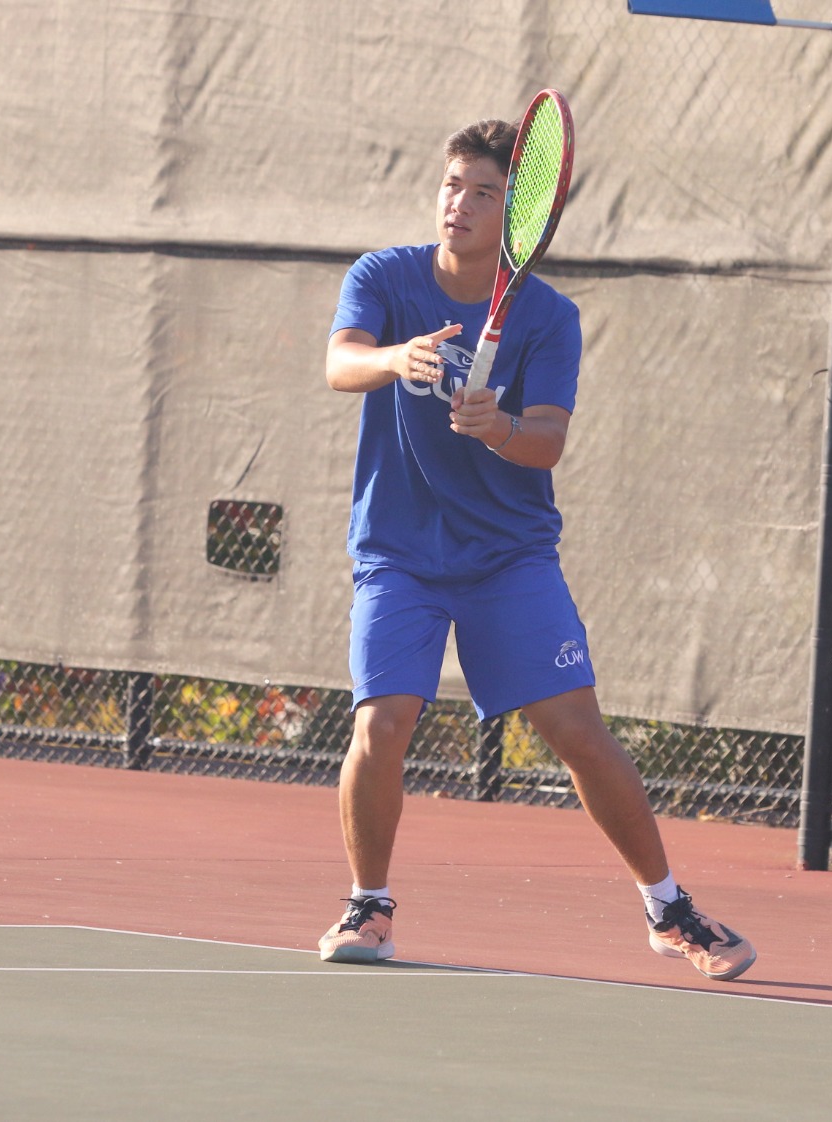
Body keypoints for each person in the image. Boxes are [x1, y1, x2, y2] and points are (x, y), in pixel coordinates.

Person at [317, 118, 756, 982]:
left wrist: (500, 428)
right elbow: (340, 362)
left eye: (484, 192)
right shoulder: (384, 277)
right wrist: (395, 356)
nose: (461, 204)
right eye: (453, 185)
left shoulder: (550, 318)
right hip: (399, 553)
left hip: (508, 559)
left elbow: (547, 441)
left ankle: (669, 909)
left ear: (523, 214)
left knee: (578, 734)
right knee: (382, 722)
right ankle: (370, 905)